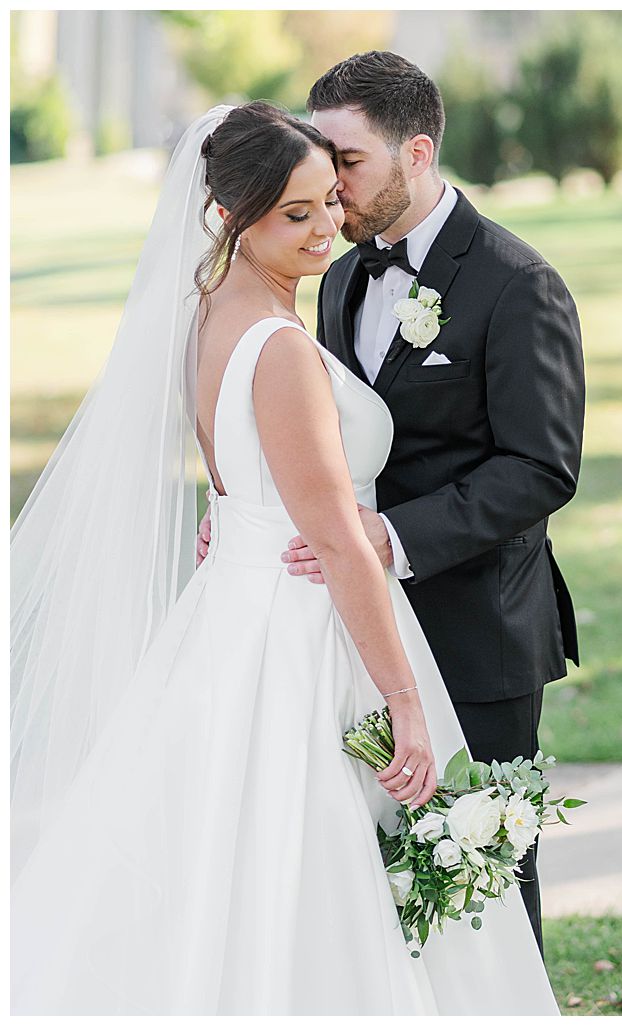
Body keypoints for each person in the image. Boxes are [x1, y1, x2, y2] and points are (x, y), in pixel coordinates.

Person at [11, 102, 554, 1012]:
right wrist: (408, 705)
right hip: (306, 628)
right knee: (311, 860)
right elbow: (338, 539)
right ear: (232, 217)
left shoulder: (205, 312)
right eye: (294, 214)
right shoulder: (283, 349)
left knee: (233, 863)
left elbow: (245, 475)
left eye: (327, 204)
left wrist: (241, 514)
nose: (326, 228)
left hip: (235, 609)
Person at [218, 52, 583, 944]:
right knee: (379, 871)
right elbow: (317, 430)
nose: (327, 188)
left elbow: (541, 468)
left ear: (415, 152)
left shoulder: (519, 285)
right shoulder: (338, 277)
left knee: (487, 876)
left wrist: (390, 536)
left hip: (478, 626)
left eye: (346, 162)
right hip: (353, 628)